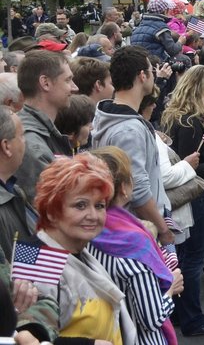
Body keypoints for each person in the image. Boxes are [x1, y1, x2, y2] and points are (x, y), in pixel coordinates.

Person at [32, 153, 137, 343]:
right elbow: (30, 337)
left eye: (99, 205)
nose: (93, 215)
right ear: (52, 210)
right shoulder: (39, 260)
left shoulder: (79, 250)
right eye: (80, 205)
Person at [89, 147, 184, 345]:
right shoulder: (133, 247)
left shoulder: (86, 234)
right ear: (124, 188)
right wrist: (170, 290)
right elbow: (152, 318)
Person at [158, 65, 204, 337]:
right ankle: (193, 318)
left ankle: (178, 311)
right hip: (197, 196)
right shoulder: (193, 123)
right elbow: (192, 167)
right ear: (200, 89)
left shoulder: (173, 116)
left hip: (184, 197)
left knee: (183, 256)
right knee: (194, 257)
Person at [91, 46, 173, 247]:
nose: (154, 75)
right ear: (142, 76)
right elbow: (137, 189)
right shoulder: (129, 130)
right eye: (152, 71)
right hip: (138, 231)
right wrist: (162, 229)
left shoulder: (112, 115)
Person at [15, 50, 76, 200]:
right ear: (45, 83)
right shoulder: (32, 146)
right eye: (68, 80)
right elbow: (55, 209)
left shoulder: (35, 132)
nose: (74, 88)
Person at [0, 107, 34, 262]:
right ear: (6, 147)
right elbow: (14, 270)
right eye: (21, 136)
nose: (25, 142)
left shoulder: (13, 190)